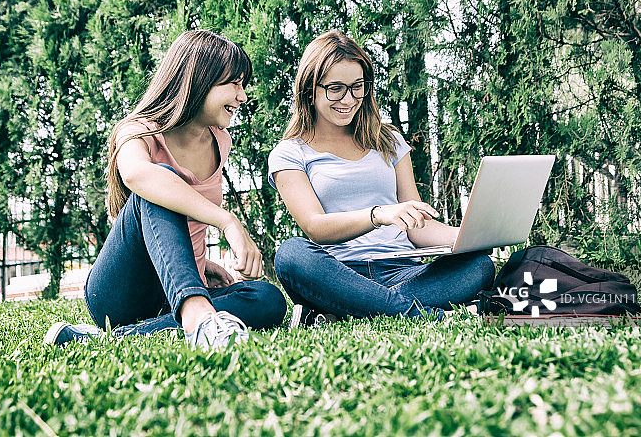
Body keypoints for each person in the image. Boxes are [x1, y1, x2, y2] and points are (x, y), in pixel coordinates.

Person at [44, 29, 286, 349]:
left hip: (181, 290)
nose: (242, 96)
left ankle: (112, 338)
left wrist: (200, 263)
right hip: (122, 293)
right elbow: (137, 176)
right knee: (160, 179)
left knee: (268, 299)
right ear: (197, 80)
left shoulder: (220, 141)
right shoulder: (138, 131)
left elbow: (180, 228)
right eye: (234, 84)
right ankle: (199, 319)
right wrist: (228, 221)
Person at [268, 30, 495, 327]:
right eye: (335, 88)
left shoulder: (388, 141)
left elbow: (417, 225)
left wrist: (467, 238)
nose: (348, 99)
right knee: (290, 255)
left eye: (357, 87)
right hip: (337, 273)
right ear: (310, 90)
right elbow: (316, 228)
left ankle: (354, 308)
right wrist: (379, 215)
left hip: (402, 270)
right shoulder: (289, 153)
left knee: (479, 266)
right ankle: (418, 313)